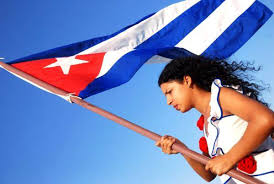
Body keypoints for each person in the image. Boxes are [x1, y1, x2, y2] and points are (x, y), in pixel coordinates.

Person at [155, 56, 274, 183]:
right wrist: (183, 150)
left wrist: (229, 158)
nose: (168, 101)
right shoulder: (207, 121)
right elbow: (209, 174)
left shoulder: (222, 96)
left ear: (187, 80)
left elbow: (266, 119)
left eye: (170, 92)